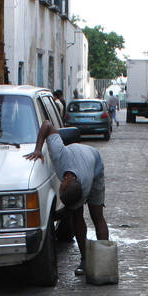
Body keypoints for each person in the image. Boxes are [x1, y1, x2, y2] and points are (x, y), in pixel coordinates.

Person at [25, 118, 109, 276]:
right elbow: (47, 124)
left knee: (96, 215)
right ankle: (85, 260)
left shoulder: (84, 185)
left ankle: (103, 260)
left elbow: (79, 203)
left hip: (95, 163)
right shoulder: (59, 155)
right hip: (81, 154)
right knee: (77, 216)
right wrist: (38, 149)